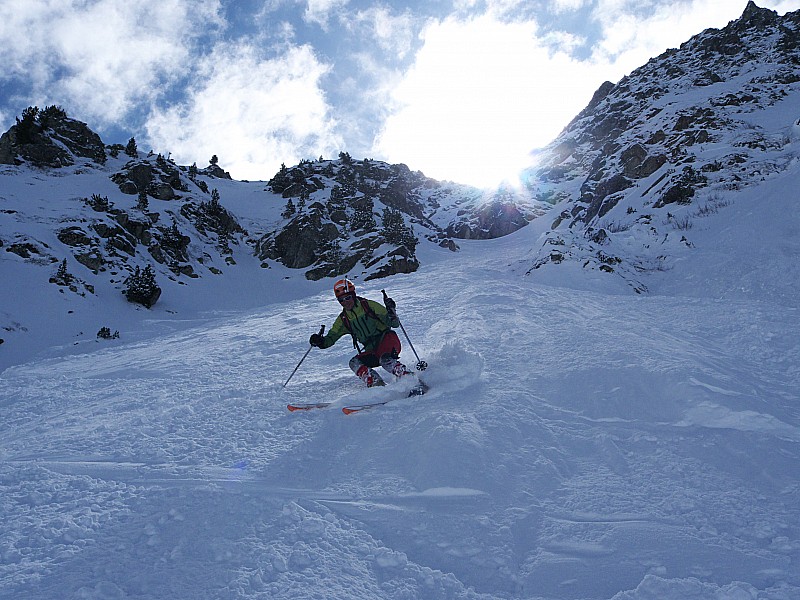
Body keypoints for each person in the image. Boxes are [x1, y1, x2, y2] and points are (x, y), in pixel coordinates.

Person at [309, 279, 412, 387]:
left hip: (387, 340)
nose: (345, 302)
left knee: (385, 359)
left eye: (348, 297)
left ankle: (409, 378)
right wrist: (320, 341)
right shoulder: (344, 319)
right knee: (354, 363)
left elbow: (394, 324)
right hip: (372, 350)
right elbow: (331, 338)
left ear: (353, 295)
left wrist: (391, 312)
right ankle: (376, 384)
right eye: (341, 300)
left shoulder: (369, 306)